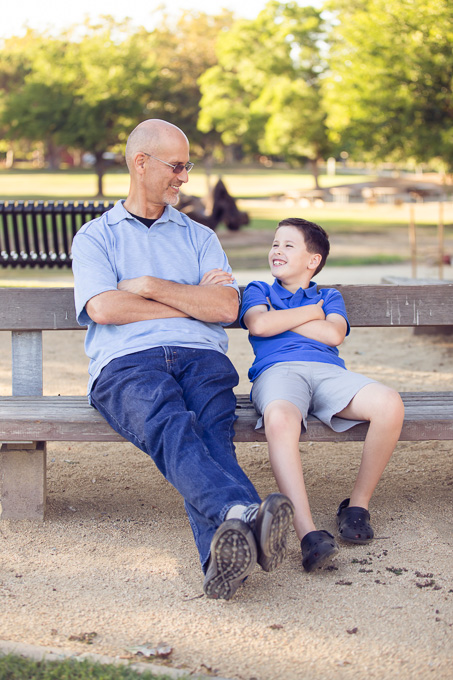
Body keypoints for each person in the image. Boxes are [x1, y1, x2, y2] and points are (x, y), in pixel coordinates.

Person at [71, 119, 294, 601]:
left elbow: (225, 307)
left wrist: (149, 286)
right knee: (173, 424)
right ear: (140, 163)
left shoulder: (200, 237)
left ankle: (221, 558)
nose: (185, 178)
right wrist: (191, 298)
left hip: (200, 357)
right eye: (176, 166)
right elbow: (104, 308)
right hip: (127, 362)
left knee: (212, 435)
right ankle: (242, 512)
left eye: (187, 166)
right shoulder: (96, 237)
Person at [240, 218, 404, 573]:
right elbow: (259, 324)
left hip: (329, 374)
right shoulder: (257, 289)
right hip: (278, 373)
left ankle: (357, 507)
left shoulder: (329, 296)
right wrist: (310, 315)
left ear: (313, 260)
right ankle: (307, 532)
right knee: (280, 418)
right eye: (274, 243)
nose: (277, 250)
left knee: (389, 403)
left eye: (288, 245)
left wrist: (284, 317)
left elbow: (333, 336)